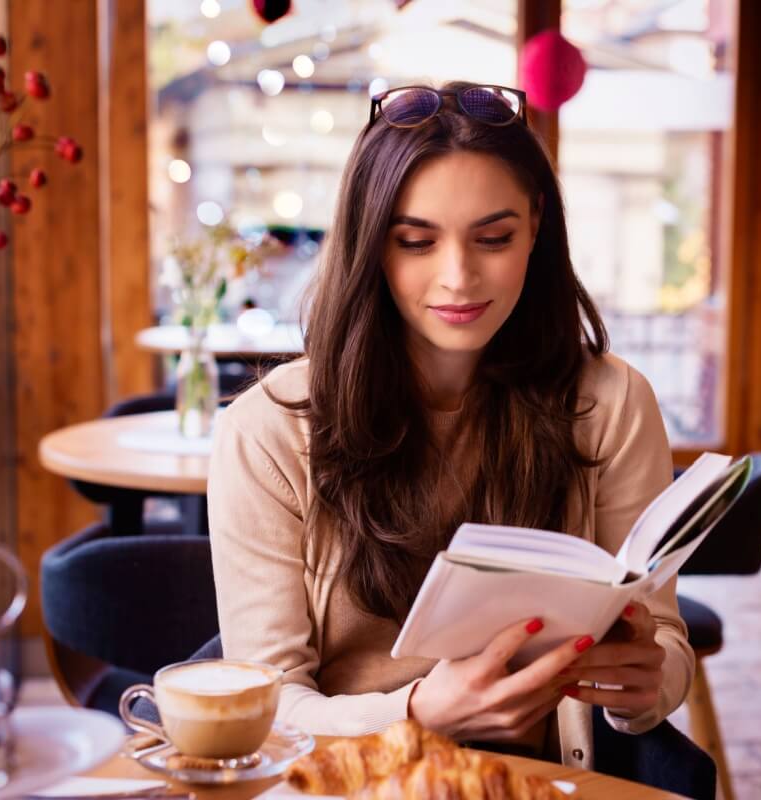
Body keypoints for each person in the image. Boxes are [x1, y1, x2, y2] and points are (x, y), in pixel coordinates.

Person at [208, 81, 705, 790]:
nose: (459, 277)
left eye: (494, 238)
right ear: (370, 246)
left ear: (536, 225)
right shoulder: (268, 431)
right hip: (349, 781)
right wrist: (416, 711)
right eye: (416, 241)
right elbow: (266, 705)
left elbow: (664, 640)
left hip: (536, 779)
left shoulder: (610, 401)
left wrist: (644, 683)